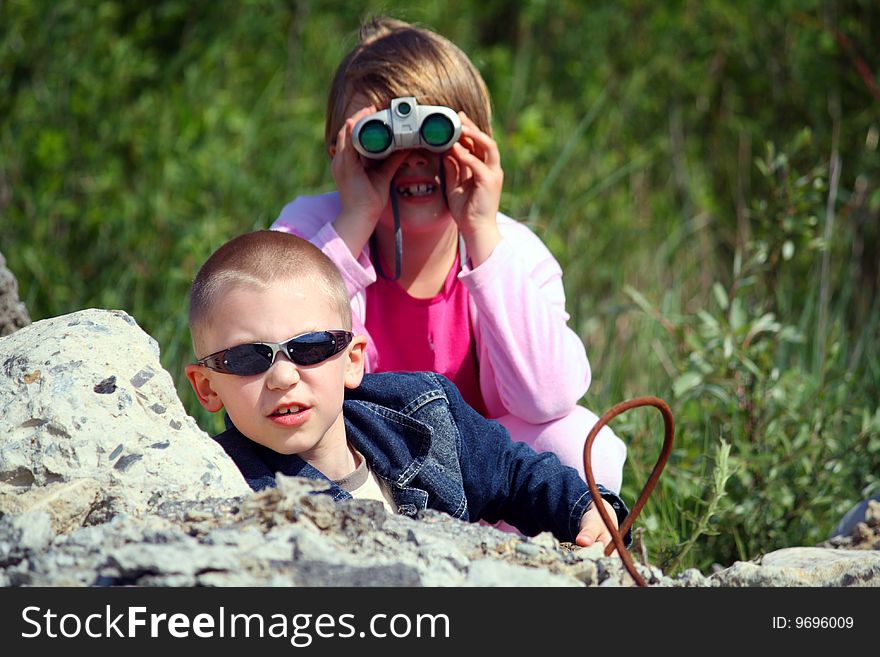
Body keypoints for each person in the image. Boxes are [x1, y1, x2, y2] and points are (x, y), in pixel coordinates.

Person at [270, 16, 627, 493]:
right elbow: (277, 345)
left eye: (434, 132)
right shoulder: (312, 233)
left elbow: (549, 397)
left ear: (479, 143)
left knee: (584, 443)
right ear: (339, 148)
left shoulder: (511, 249)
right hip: (363, 474)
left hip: (486, 482)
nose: (412, 158)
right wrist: (353, 221)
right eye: (379, 139)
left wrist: (481, 231)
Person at [184, 230, 630, 548]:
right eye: (246, 358)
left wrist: (585, 509)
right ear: (207, 387)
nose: (283, 377)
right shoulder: (225, 493)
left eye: (311, 347)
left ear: (353, 359)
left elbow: (513, 473)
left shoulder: (422, 413)